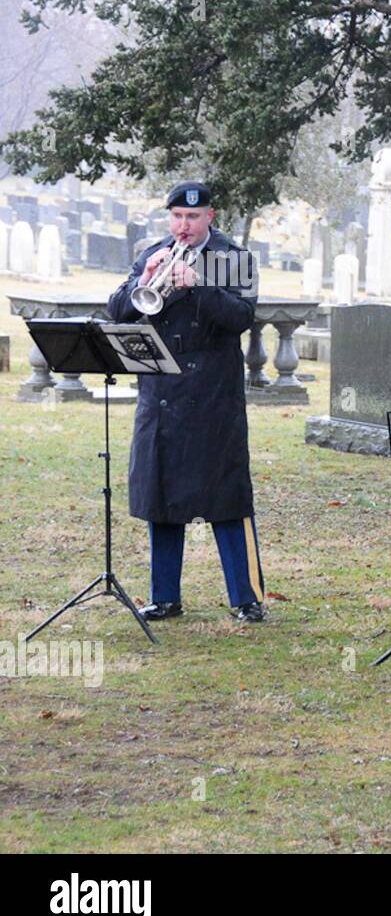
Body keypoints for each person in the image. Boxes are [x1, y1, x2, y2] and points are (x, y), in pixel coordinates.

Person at [106, 181, 266, 623]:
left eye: (192, 218)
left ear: (210, 216)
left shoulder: (235, 259)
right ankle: (164, 596)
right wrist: (144, 278)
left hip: (214, 395)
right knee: (162, 497)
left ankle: (247, 598)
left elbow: (243, 318)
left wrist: (198, 285)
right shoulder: (152, 251)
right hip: (162, 395)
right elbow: (118, 309)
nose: (184, 226)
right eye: (176, 217)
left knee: (229, 499)